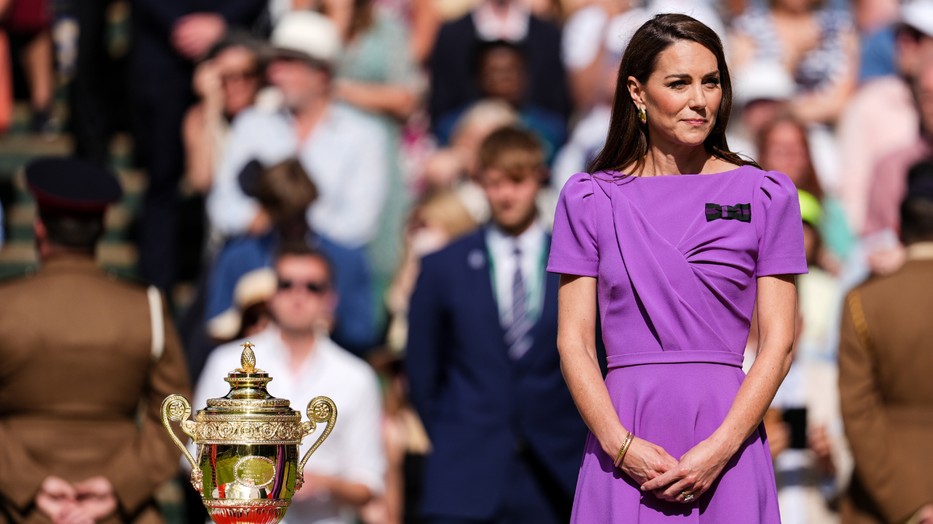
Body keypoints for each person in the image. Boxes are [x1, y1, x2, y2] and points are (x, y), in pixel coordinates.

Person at [547, 13, 807, 522]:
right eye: (679, 83)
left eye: (711, 82)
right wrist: (621, 447)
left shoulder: (766, 195)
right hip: (621, 440)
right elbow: (572, 343)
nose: (699, 99)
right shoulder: (588, 199)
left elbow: (779, 343)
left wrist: (721, 448)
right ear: (637, 92)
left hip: (728, 442)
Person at [406, 125, 588, 524]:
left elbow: (599, 360)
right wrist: (455, 434)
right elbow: (422, 369)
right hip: (464, 476)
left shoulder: (580, 265)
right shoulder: (443, 267)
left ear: (540, 177)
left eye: (518, 181)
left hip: (557, 475)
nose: (507, 195)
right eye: (495, 183)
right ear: (479, 183)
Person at [0, 158, 191, 522]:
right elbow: (176, 413)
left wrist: (29, 485)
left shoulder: (4, 306)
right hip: (117, 511)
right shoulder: (146, 307)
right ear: (102, 227)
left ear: (40, 228)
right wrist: (119, 486)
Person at [207, 10, 388, 354]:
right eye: (274, 63)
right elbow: (223, 205)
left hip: (328, 260)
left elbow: (357, 224)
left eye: (288, 62)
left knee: (348, 265)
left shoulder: (363, 135)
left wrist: (295, 212)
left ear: (321, 74)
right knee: (234, 259)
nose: (274, 73)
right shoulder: (252, 124)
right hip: (259, 252)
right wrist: (262, 217)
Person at [196, 244, 386, 524]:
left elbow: (369, 482)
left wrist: (323, 483)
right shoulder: (226, 363)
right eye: (286, 284)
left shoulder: (356, 377)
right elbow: (194, 458)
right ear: (271, 295)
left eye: (312, 286)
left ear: (330, 298)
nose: (298, 295)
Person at [837, 160, 933, 524]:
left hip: (880, 499)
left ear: (899, 230)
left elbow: (856, 410)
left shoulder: (864, 299)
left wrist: (906, 502)